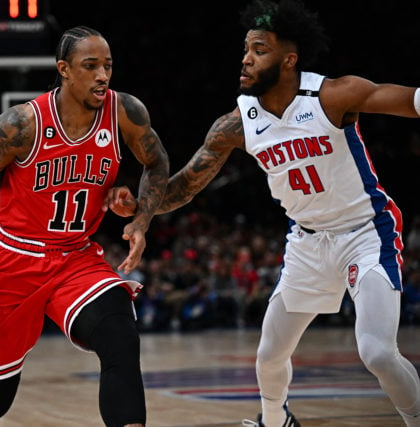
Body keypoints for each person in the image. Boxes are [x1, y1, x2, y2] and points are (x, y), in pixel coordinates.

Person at [104, 1, 420, 426]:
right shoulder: (238, 123)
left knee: (377, 352)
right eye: (245, 50)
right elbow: (185, 185)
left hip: (365, 233)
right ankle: (276, 422)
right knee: (270, 356)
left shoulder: (332, 95)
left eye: (259, 50)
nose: (246, 59)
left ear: (288, 60)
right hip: (307, 243)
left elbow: (411, 101)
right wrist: (142, 207)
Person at [0, 26, 169, 427]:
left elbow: (157, 162)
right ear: (64, 69)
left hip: (75, 258)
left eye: (108, 66)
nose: (103, 75)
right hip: (13, 260)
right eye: (91, 66)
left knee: (120, 335)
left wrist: (141, 218)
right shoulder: (22, 123)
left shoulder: (124, 112)